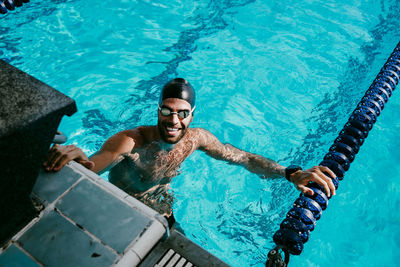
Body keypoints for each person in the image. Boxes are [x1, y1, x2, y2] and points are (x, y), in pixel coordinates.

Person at [43, 78, 336, 227]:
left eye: (182, 113)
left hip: (163, 211)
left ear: (192, 115)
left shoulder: (197, 139)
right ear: (157, 110)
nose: (174, 121)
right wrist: (79, 158)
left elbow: (243, 158)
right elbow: (95, 164)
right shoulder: (131, 141)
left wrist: (290, 172)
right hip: (123, 211)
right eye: (167, 112)